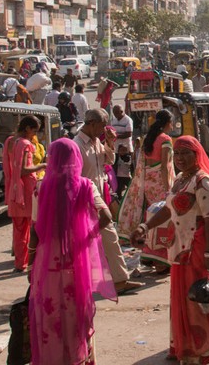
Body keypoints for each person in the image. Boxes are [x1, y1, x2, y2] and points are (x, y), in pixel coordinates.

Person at [130, 137, 209, 365]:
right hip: (179, 250)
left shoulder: (203, 182)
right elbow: (168, 210)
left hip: (196, 250)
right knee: (186, 302)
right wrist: (145, 226)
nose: (180, 158)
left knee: (205, 300)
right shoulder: (179, 180)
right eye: (177, 154)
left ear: (197, 155)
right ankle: (189, 350)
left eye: (186, 153)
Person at [29, 138, 117, 365]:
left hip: (47, 263)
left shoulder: (41, 187)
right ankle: (79, 358)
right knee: (76, 314)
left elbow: (35, 229)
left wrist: (30, 263)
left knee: (50, 314)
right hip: (76, 262)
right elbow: (107, 217)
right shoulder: (87, 185)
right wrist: (86, 236)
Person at [75, 108, 141, 293]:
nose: (104, 130)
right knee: (98, 239)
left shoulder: (96, 142)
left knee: (109, 237)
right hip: (85, 199)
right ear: (92, 124)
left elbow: (108, 161)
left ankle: (119, 280)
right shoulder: (77, 144)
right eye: (102, 126)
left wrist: (110, 142)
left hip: (98, 196)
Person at [118, 109, 175, 272]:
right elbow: (164, 166)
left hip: (148, 182)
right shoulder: (165, 140)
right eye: (171, 123)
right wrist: (168, 189)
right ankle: (160, 259)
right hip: (159, 182)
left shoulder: (148, 138)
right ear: (167, 123)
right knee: (162, 220)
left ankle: (147, 254)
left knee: (150, 217)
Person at [3, 116, 46, 272]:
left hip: (14, 191)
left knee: (19, 229)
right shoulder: (26, 145)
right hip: (26, 190)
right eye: (34, 130)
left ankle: (19, 263)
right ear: (28, 128)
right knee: (33, 228)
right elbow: (23, 170)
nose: (34, 134)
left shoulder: (9, 141)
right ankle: (30, 262)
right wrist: (42, 165)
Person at [110, 104, 135, 198]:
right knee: (116, 172)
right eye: (114, 113)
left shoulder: (128, 120)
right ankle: (118, 192)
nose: (115, 115)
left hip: (126, 150)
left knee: (128, 171)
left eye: (117, 113)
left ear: (121, 112)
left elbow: (129, 134)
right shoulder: (114, 120)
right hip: (116, 150)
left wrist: (116, 136)